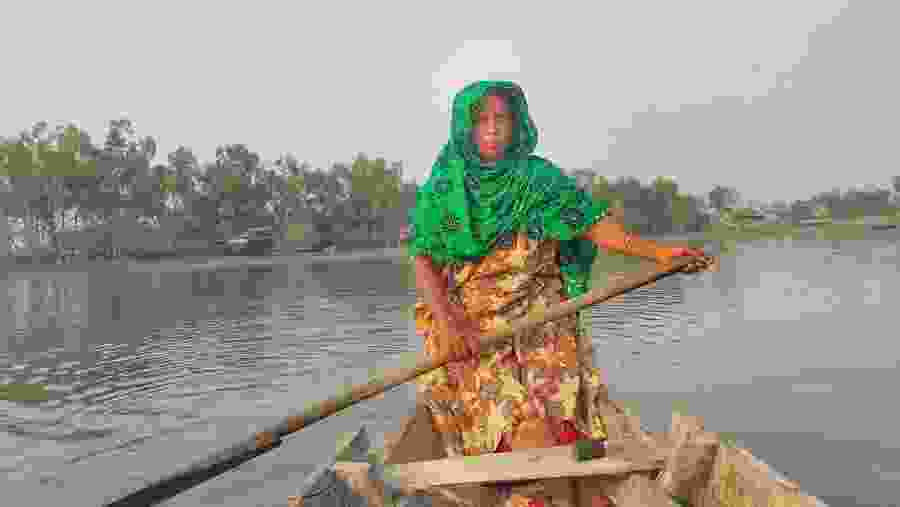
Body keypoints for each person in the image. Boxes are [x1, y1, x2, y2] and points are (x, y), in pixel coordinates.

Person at [408, 80, 714, 507]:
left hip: (539, 307)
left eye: (502, 119)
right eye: (481, 121)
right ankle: (531, 485)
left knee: (557, 403)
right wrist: (449, 324)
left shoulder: (538, 179)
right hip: (471, 321)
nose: (493, 129)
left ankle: (573, 473)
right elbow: (424, 261)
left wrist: (659, 253)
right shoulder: (444, 189)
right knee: (504, 417)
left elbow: (591, 224)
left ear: (517, 125)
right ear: (465, 130)